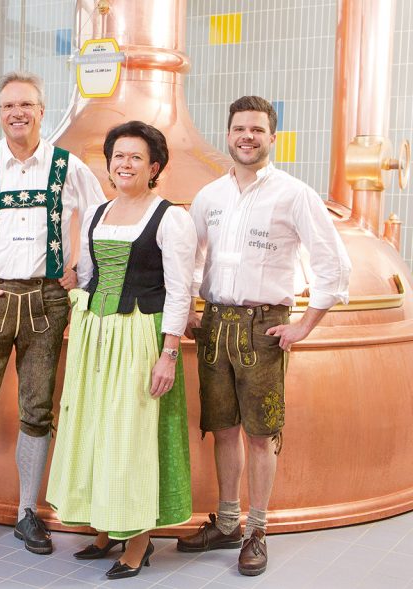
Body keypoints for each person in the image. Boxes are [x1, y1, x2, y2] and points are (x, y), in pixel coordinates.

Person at [176, 96, 351, 576]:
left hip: (263, 328)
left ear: (272, 137)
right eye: (239, 129)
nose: (247, 137)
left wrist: (304, 325)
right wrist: (190, 308)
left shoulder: (294, 195)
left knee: (260, 434)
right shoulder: (210, 196)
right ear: (228, 135)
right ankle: (226, 522)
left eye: (256, 130)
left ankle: (256, 529)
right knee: (223, 429)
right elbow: (192, 257)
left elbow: (333, 264)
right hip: (215, 326)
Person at [0, 71, 106, 560]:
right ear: (0, 113)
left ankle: (26, 513)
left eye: (26, 105)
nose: (17, 113)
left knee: (38, 411)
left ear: (41, 111)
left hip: (45, 300)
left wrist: (81, 272)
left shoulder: (68, 166)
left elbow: (100, 221)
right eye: (8, 105)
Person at [46, 121, 195, 580]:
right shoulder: (98, 212)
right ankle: (106, 526)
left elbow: (180, 291)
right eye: (118, 156)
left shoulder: (171, 218)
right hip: (97, 336)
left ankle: (138, 540)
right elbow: (92, 276)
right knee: (97, 428)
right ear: (109, 165)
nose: (125, 164)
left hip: (139, 336)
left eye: (136, 157)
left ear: (154, 167)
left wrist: (168, 353)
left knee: (132, 434)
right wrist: (74, 280)